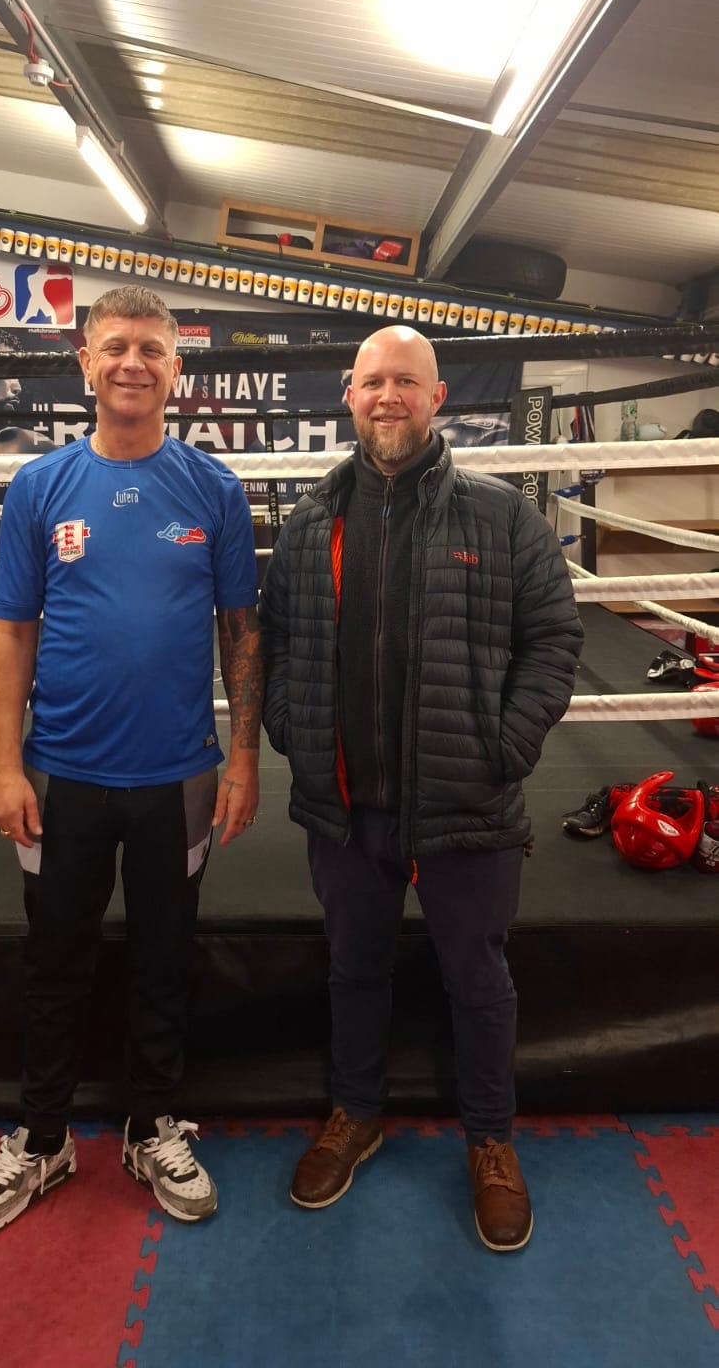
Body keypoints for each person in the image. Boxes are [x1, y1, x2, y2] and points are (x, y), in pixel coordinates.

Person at [259, 325, 583, 1252]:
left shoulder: (501, 515)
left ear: (440, 398)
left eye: (407, 380)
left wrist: (504, 744)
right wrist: (296, 732)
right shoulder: (312, 518)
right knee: (353, 968)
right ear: (348, 395)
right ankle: (356, 1111)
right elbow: (276, 642)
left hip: (466, 800)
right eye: (373, 382)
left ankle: (490, 1140)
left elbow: (555, 638)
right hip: (346, 803)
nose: (389, 396)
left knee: (478, 979)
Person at [0, 285, 262, 1238]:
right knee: (55, 958)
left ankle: (150, 1124)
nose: (134, 363)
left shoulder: (214, 489)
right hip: (61, 775)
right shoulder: (39, 487)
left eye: (152, 349)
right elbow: (12, 635)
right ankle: (42, 1138)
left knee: (166, 958)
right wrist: (4, 766)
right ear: (83, 363)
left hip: (179, 777)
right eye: (116, 346)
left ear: (178, 370)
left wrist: (244, 757)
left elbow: (241, 633)